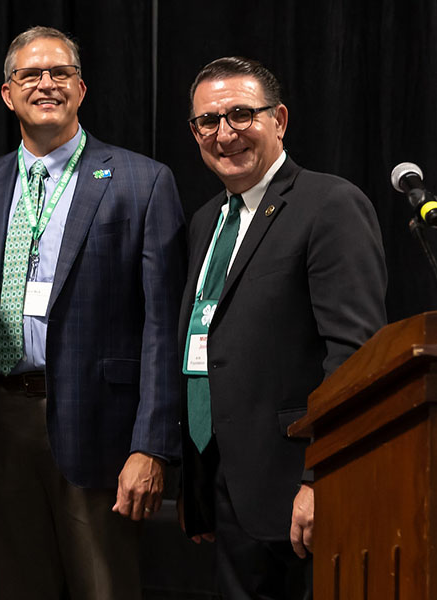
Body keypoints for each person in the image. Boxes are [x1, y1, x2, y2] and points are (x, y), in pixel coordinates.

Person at [0, 26, 187, 599]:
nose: (46, 84)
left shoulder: (142, 180)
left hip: (102, 430)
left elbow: (162, 326)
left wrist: (151, 444)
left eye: (60, 73)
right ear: (9, 94)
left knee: (104, 587)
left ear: (81, 89)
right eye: (30, 75)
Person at [179, 56, 387, 598]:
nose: (225, 134)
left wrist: (321, 477)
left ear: (280, 120)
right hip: (226, 484)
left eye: (242, 114)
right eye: (208, 121)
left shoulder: (329, 204)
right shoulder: (206, 220)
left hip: (299, 490)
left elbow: (355, 355)